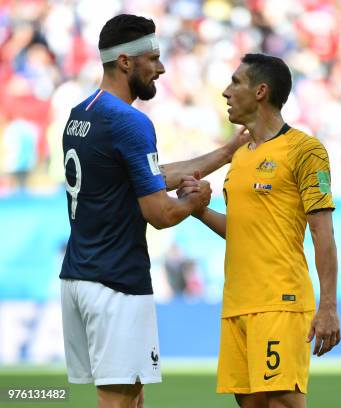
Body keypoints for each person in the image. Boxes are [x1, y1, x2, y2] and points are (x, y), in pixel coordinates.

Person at [60, 14, 244, 408]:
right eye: (153, 59)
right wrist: (195, 202)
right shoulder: (131, 122)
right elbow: (159, 213)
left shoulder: (82, 114)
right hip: (117, 282)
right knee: (119, 402)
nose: (161, 68)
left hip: (80, 274)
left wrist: (226, 153)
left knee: (133, 397)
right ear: (125, 61)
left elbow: (149, 176)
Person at [177, 53, 341, 407]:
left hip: (280, 300)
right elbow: (239, 230)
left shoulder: (305, 150)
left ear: (261, 92)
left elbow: (323, 234)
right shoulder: (240, 156)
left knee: (283, 403)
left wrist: (328, 304)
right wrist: (199, 210)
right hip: (238, 302)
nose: (225, 92)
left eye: (236, 82)